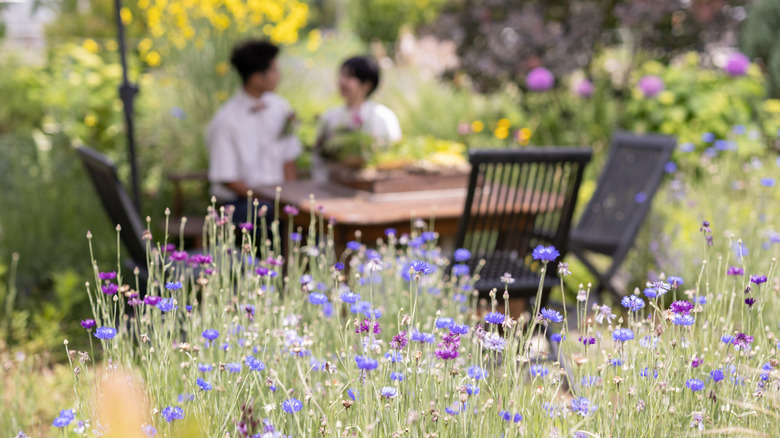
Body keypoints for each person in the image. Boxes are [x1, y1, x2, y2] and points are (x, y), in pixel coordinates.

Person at [206, 40, 302, 224]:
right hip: (240, 202)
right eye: (274, 70)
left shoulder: (281, 107)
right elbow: (227, 178)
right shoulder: (226, 120)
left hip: (279, 199)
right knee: (268, 217)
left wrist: (290, 197)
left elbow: (289, 157)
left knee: (305, 216)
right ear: (257, 77)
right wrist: (265, 199)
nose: (279, 75)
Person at [313, 56, 402, 180]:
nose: (342, 81)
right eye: (341, 75)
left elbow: (393, 156)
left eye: (349, 77)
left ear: (367, 84)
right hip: (334, 183)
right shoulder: (330, 116)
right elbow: (319, 156)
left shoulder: (383, 117)